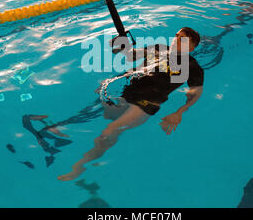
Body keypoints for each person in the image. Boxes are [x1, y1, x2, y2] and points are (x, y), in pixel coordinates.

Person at [58, 27, 204, 181]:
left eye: (182, 39)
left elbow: (196, 92)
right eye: (176, 35)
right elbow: (131, 56)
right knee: (103, 117)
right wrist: (121, 46)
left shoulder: (192, 67)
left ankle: (80, 167)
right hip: (128, 92)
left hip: (146, 103)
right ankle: (70, 136)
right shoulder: (159, 48)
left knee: (110, 131)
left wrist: (179, 112)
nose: (176, 39)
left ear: (191, 47)